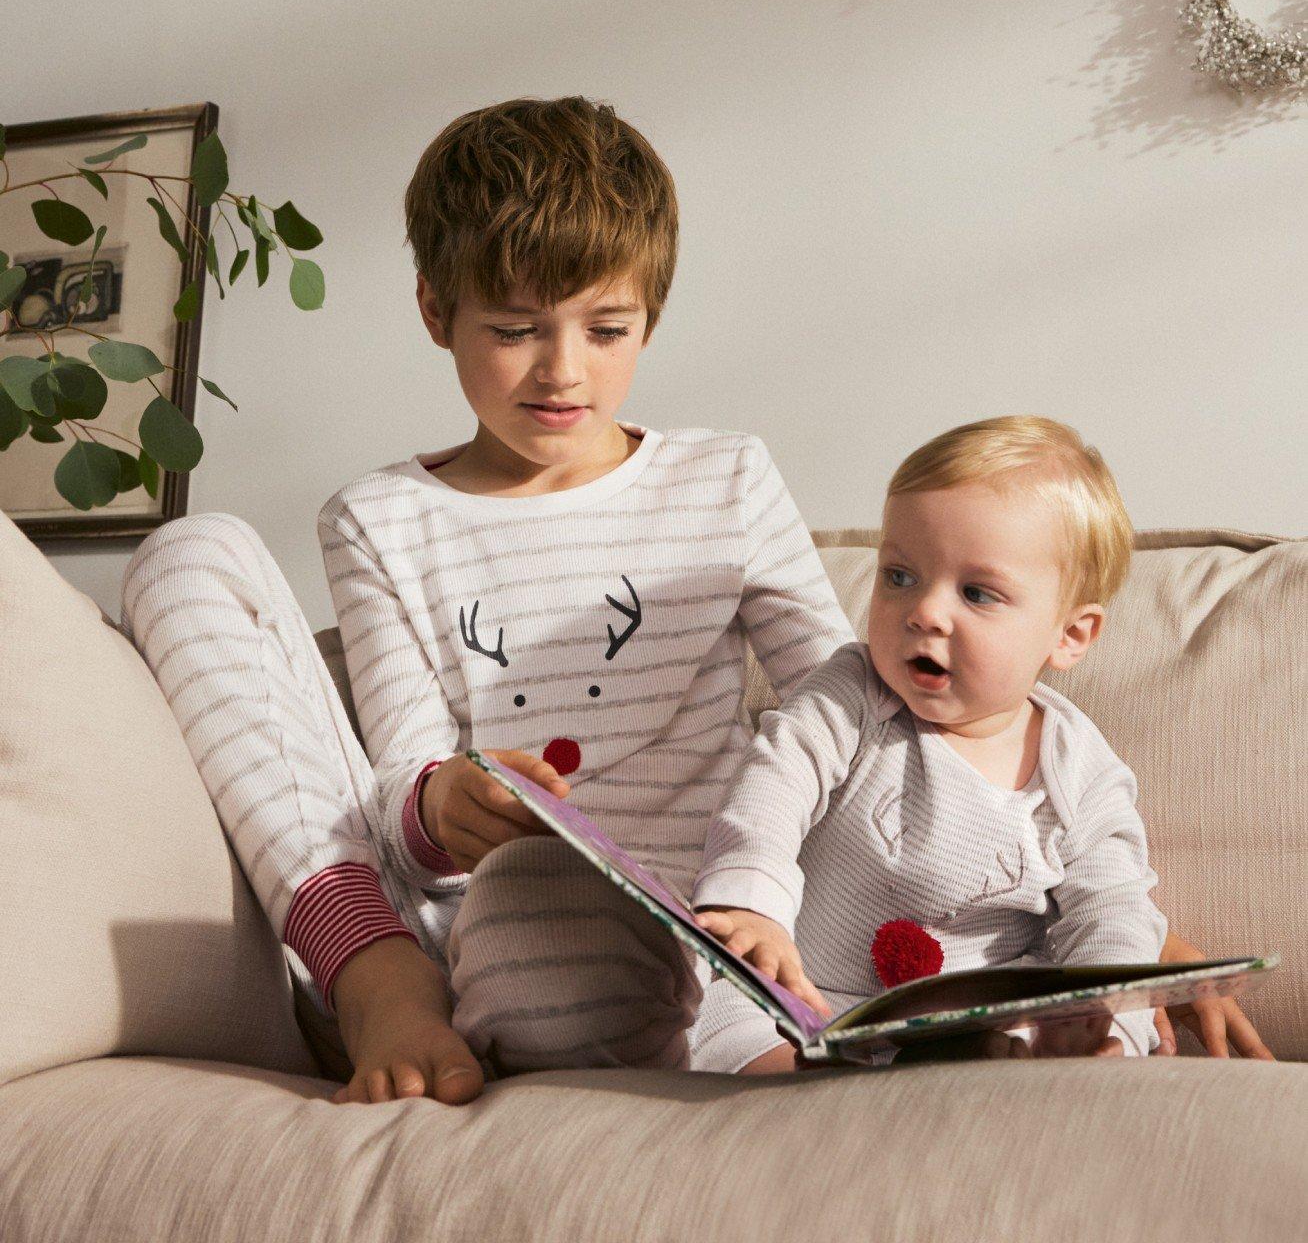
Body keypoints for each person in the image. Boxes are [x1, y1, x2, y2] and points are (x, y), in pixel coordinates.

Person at [118, 99, 1269, 1106]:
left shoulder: (723, 479)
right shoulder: (377, 517)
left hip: (702, 933)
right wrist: (444, 803)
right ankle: (375, 981)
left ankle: (515, 1013)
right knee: (190, 553)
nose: (562, 370)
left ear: (650, 318)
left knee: (571, 964)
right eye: (514, 328)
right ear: (434, 308)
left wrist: (1118, 941)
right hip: (470, 917)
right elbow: (401, 802)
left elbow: (873, 715)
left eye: (606, 330)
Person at [692, 418, 1180, 1068]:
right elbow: (777, 779)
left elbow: (1112, 910)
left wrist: (1106, 1015)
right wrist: (751, 906)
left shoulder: (1081, 773)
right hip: (807, 996)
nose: (924, 611)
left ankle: (1031, 1060)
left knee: (1059, 1026)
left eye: (976, 593)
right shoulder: (854, 692)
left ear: (1069, 635)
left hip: (974, 1017)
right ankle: (813, 1089)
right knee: (729, 1029)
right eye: (900, 576)